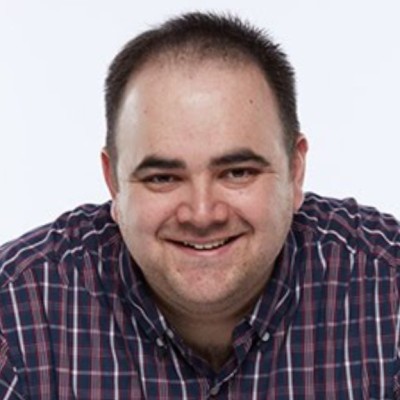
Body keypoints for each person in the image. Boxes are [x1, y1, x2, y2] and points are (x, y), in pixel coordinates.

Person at [0, 11, 399, 399]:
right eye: (162, 178)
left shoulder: (389, 290)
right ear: (114, 184)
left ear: (295, 171)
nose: (203, 213)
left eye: (237, 172)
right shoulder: (17, 310)